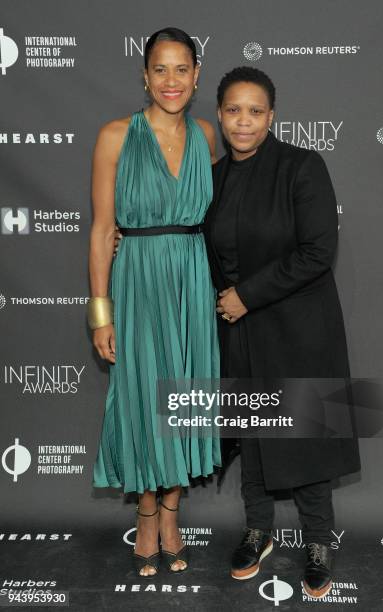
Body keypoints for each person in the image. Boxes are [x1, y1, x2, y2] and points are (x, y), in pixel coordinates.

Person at [203, 67, 361, 597]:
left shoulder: (301, 166)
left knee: (306, 432)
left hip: (298, 326)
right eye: (232, 110)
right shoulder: (216, 176)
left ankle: (318, 539)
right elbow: (201, 249)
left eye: (254, 111)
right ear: (220, 115)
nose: (242, 122)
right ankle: (258, 529)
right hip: (241, 331)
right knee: (252, 429)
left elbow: (319, 250)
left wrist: (247, 295)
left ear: (271, 116)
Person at [87, 27, 221, 579]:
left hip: (192, 276)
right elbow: (100, 229)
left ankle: (172, 512)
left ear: (196, 77)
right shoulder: (116, 136)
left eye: (181, 69)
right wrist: (101, 311)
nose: (171, 80)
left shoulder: (209, 137)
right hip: (138, 279)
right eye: (160, 69)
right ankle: (146, 515)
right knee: (145, 398)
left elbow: (219, 218)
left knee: (183, 397)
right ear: (144, 76)